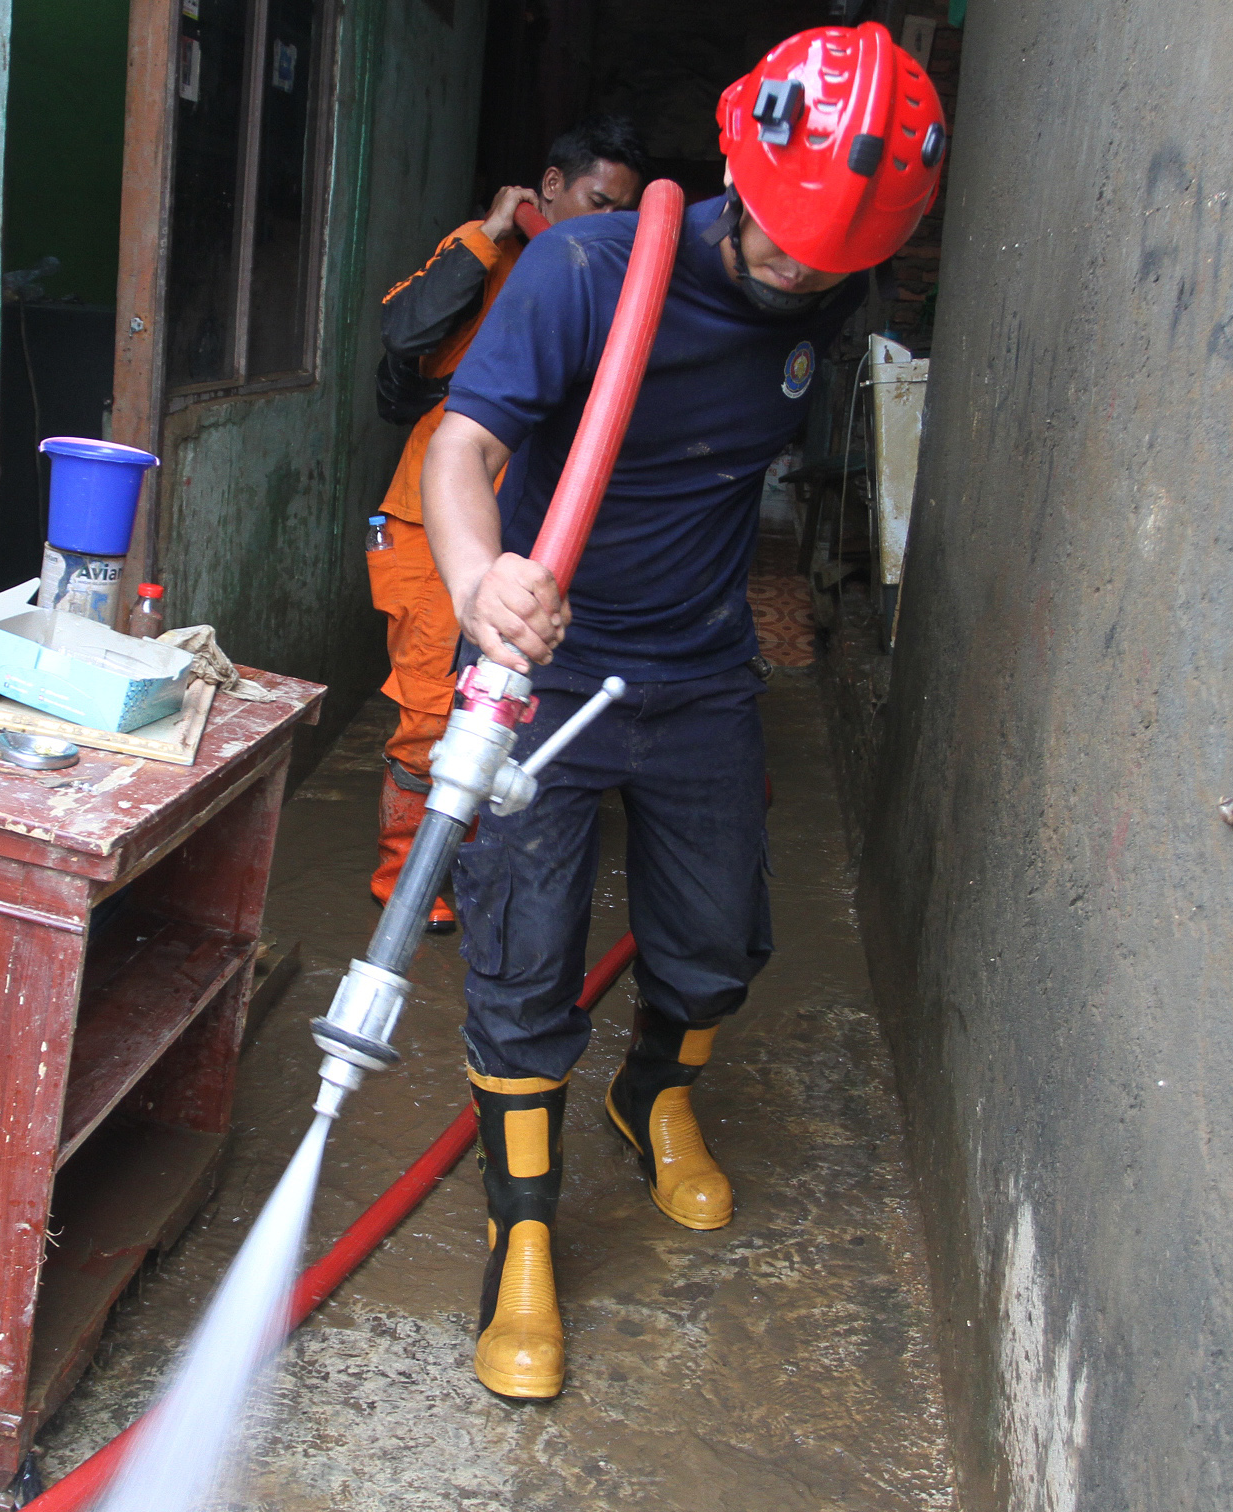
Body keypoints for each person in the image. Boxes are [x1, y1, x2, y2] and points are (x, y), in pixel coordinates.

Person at [419, 25, 947, 1400]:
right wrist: (481, 585)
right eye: (778, 240)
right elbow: (464, 448)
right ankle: (520, 1238)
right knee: (523, 961)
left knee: (715, 944)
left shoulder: (831, 285)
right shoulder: (587, 270)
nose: (797, 274)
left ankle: (653, 1092)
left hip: (701, 674)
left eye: (831, 260)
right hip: (545, 678)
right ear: (733, 159)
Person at [364, 116, 648, 932]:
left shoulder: (605, 284)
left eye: (620, 214)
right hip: (428, 527)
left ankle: (475, 871)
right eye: (594, 201)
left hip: (523, 536)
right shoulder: (487, 253)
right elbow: (404, 331)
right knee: (429, 715)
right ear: (550, 188)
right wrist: (491, 232)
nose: (602, 226)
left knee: (504, 712)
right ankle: (407, 887)